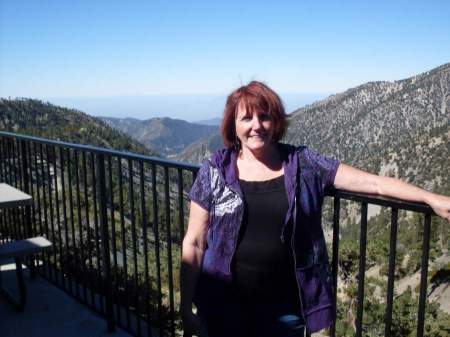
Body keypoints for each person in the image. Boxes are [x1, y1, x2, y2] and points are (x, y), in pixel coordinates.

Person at [180, 81, 450, 337]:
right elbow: (195, 242)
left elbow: (373, 183)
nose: (257, 126)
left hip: (283, 307)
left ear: (276, 122)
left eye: (264, 116)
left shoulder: (302, 163)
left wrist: (430, 198)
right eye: (246, 118)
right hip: (225, 302)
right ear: (233, 126)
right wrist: (185, 304)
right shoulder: (215, 170)